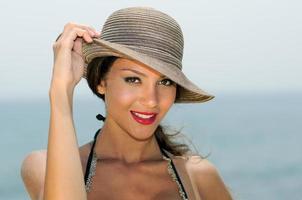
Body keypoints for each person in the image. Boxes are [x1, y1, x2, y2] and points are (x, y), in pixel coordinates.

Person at [20, 6, 233, 200]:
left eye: (165, 81)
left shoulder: (199, 177)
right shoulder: (42, 166)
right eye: (133, 79)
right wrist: (61, 92)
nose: (151, 100)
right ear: (101, 82)